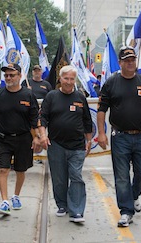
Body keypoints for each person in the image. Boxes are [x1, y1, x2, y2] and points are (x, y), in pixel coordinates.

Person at [97, 46, 141, 227]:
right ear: (120, 63)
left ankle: (134, 196)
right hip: (119, 137)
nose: (130, 62)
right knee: (121, 176)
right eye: (126, 60)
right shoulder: (111, 83)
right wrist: (102, 133)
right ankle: (126, 211)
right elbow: (101, 109)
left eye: (132, 59)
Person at [38, 65, 92, 223]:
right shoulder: (51, 97)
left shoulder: (80, 97)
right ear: (60, 79)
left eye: (72, 79)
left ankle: (76, 210)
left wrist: (89, 140)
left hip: (77, 146)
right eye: (66, 78)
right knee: (59, 178)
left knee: (76, 177)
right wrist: (43, 135)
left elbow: (87, 121)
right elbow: (42, 119)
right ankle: (62, 204)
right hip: (56, 145)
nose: (69, 82)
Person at [0, 63, 40, 216]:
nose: (9, 78)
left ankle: (15, 196)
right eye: (6, 75)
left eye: (12, 75)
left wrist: (36, 138)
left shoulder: (28, 95)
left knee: (20, 170)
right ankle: (4, 201)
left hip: (23, 139)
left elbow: (33, 119)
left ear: (19, 76)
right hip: (2, 138)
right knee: (3, 169)